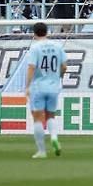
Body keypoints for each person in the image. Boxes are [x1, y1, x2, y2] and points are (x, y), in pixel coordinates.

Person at [25, 22, 68, 159]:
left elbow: (31, 67)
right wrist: (58, 77)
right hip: (54, 86)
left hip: (38, 86)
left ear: (34, 33)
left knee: (38, 118)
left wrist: (27, 86)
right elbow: (64, 66)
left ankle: (42, 151)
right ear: (47, 32)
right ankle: (54, 137)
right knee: (51, 115)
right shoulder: (57, 46)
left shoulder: (35, 48)